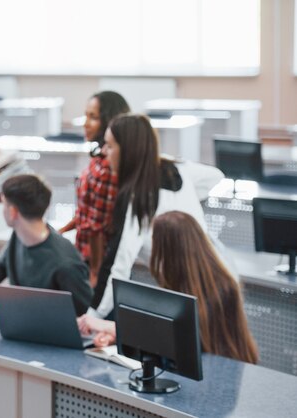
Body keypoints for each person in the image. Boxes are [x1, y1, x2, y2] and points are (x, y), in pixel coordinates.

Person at [79, 113, 224, 320]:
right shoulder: (177, 169)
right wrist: (187, 198)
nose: (103, 151)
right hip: (214, 277)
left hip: (197, 291)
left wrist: (92, 317)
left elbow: (118, 265)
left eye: (110, 146)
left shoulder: (137, 197)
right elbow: (214, 176)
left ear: (129, 151)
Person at [80, 211, 259, 364]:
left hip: (209, 381)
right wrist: (116, 335)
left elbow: (166, 339)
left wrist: (106, 326)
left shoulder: (194, 297)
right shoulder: (218, 282)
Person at [0, 174, 93, 315]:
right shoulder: (18, 237)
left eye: (4, 204)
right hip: (24, 323)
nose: (3, 210)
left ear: (13, 212)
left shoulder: (65, 262)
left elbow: (84, 313)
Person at [59, 91, 130, 288]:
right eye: (86, 115)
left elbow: (97, 227)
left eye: (94, 117)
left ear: (109, 121)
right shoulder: (98, 160)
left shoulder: (107, 167)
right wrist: (62, 231)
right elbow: (86, 212)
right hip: (85, 253)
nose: (86, 123)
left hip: (97, 261)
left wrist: (95, 274)